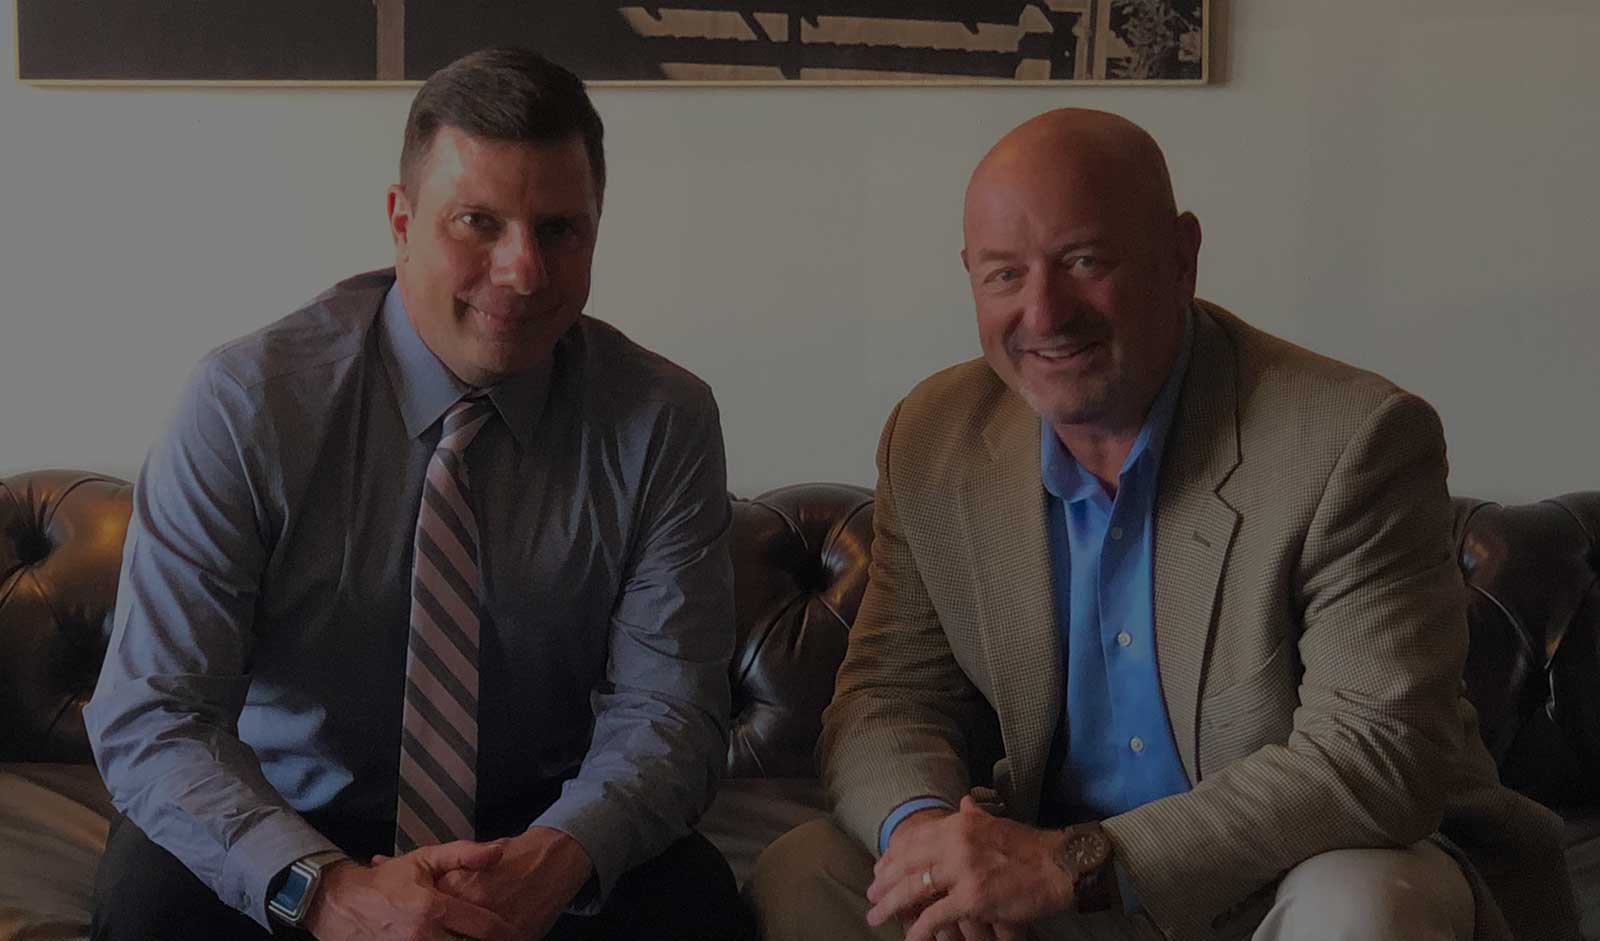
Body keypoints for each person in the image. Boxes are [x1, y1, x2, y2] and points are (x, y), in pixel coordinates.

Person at [750, 109, 1580, 940]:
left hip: (1286, 873)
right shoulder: (935, 437)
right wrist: (928, 835)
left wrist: (1075, 863)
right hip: (1042, 870)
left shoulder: (1350, 438)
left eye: (1084, 260)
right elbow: (888, 698)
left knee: (1364, 903)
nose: (1042, 313)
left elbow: (1373, 755)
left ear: (1180, 257)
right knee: (807, 872)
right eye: (1005, 275)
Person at [85, 48, 747, 941]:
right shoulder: (245, 405)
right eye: (477, 222)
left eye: (560, 230)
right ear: (400, 221)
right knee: (147, 900)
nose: (522, 271)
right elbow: (156, 711)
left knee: (696, 904)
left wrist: (556, 854)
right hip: (292, 821)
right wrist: (326, 890)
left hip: (539, 827)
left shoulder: (662, 420)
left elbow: (669, 713)